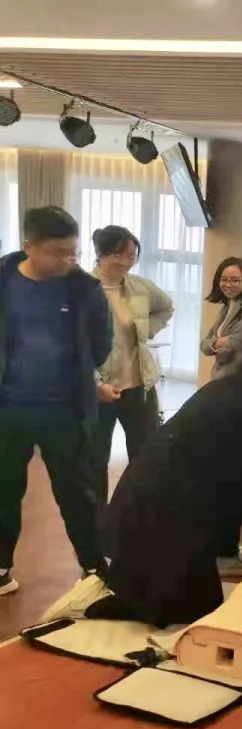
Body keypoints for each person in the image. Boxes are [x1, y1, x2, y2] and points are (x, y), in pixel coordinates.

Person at [41, 336, 242, 627]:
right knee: (191, 612)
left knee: (187, 601)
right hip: (165, 506)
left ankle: (129, 595)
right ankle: (98, 603)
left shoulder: (229, 387)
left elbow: (215, 441)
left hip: (150, 491)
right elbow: (234, 475)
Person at [0, 206, 112, 598]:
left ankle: (95, 569)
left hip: (64, 412)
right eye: (57, 252)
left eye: (73, 252)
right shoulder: (3, 279)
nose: (68, 260)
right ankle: (1, 568)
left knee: (77, 493)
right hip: (8, 410)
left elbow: (101, 344)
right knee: (4, 491)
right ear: (28, 245)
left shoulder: (84, 289)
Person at [89, 225, 175, 506]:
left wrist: (145, 331)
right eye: (119, 255)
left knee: (145, 455)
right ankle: (98, 518)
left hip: (139, 385)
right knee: (95, 459)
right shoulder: (84, 289)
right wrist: (95, 382)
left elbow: (167, 306)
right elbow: (75, 345)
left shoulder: (139, 286)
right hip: (100, 391)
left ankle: (137, 511)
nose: (126, 262)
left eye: (132, 256)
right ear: (101, 253)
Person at [200, 257, 242, 379]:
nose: (228, 284)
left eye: (235, 280)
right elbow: (204, 345)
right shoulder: (225, 309)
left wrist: (215, 345)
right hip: (220, 377)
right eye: (224, 280)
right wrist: (220, 342)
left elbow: (238, 342)